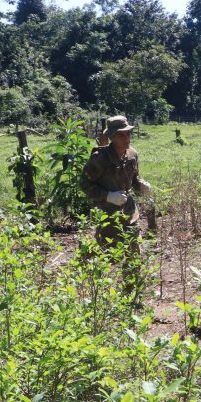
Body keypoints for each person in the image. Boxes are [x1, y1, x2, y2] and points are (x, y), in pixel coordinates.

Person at [80, 115, 152, 296]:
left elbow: (134, 178)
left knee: (133, 254)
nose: (127, 138)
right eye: (121, 135)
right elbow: (85, 185)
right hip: (108, 215)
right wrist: (108, 196)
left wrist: (141, 185)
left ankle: (130, 294)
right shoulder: (99, 159)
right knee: (108, 257)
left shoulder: (132, 155)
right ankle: (94, 290)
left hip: (129, 212)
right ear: (112, 137)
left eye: (128, 134)